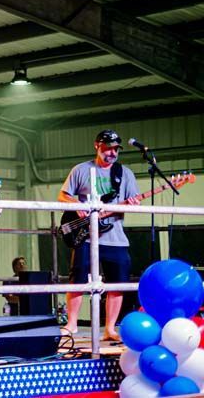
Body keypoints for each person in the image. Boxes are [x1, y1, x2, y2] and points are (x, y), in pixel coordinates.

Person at [57, 129, 140, 341]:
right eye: (108, 148)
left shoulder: (125, 174)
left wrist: (132, 204)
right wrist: (78, 206)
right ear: (97, 146)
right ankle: (72, 324)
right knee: (77, 278)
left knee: (117, 283)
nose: (112, 153)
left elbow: (132, 203)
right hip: (85, 235)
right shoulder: (81, 169)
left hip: (115, 237)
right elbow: (63, 196)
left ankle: (110, 329)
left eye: (116, 149)